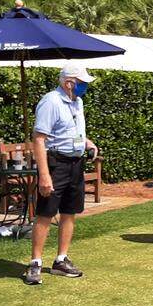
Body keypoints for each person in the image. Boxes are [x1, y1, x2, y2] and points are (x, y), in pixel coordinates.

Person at [24, 62, 98, 285]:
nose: (84, 86)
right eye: (82, 83)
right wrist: (44, 175)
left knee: (69, 211)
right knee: (46, 213)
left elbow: (73, 131)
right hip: (56, 165)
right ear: (69, 83)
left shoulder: (78, 102)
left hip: (75, 163)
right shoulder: (51, 102)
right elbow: (39, 139)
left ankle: (60, 260)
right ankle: (35, 263)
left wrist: (87, 143)